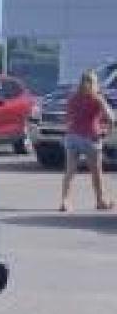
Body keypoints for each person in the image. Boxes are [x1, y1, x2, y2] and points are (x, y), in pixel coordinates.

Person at [60, 70, 115, 212]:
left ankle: (65, 201)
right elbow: (111, 117)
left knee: (70, 171)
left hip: (72, 136)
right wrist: (107, 131)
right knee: (96, 173)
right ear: (94, 83)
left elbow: (67, 118)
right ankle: (100, 200)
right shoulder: (97, 99)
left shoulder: (73, 97)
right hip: (91, 137)